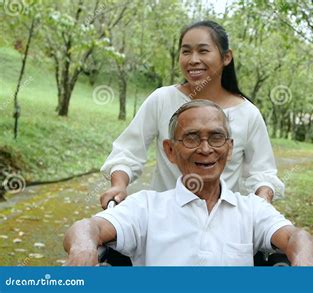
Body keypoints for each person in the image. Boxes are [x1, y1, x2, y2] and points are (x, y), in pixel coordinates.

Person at [64, 101, 313, 266]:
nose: (205, 149)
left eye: (216, 137)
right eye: (192, 138)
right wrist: (83, 245)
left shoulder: (251, 209)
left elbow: (298, 237)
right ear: (170, 151)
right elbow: (88, 227)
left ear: (229, 149)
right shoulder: (147, 207)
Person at [100, 20, 283, 208]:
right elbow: (128, 151)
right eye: (186, 51)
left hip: (221, 224)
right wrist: (119, 186)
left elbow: (262, 174)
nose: (193, 59)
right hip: (163, 220)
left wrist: (263, 202)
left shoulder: (248, 114)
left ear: (226, 57)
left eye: (203, 51)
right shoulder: (162, 99)